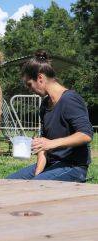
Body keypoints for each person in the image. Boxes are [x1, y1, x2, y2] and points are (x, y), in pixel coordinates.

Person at [7, 50, 93, 182]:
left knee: (34, 187)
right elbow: (43, 145)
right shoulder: (45, 105)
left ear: (40, 78)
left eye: (30, 84)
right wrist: (37, 173)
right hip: (51, 164)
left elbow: (86, 135)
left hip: (73, 167)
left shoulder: (70, 100)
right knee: (9, 182)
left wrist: (51, 143)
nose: (30, 89)